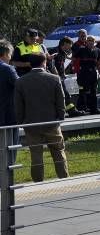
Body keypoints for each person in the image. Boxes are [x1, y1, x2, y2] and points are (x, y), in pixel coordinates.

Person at [14, 54, 69, 182]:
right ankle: (64, 179)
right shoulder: (54, 79)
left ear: (30, 64)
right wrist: (60, 118)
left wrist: (22, 122)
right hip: (52, 123)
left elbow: (18, 105)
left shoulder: (21, 81)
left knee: (36, 155)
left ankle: (38, 182)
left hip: (31, 125)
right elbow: (61, 101)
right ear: (44, 63)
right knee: (58, 152)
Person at [54, 37, 83, 117]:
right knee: (65, 94)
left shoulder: (63, 53)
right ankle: (71, 111)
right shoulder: (55, 52)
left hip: (61, 77)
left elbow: (66, 59)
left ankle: (69, 111)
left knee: (64, 94)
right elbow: (51, 64)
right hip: (55, 77)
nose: (70, 47)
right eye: (69, 45)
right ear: (65, 44)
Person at [0, 40, 19, 162]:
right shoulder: (8, 69)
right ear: (6, 53)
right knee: (10, 150)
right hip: (8, 115)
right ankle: (8, 178)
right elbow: (20, 85)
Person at [74, 35, 100, 115]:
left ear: (94, 42)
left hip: (93, 73)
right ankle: (81, 108)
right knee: (83, 91)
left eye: (92, 40)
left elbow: (98, 62)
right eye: (89, 40)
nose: (90, 42)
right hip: (83, 73)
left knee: (93, 91)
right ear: (86, 42)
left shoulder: (97, 50)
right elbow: (73, 58)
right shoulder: (81, 49)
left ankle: (94, 109)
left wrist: (99, 73)